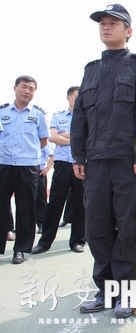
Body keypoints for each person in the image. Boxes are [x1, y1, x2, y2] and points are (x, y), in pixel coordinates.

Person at [71, 4, 136, 318]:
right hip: (95, 162)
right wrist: (78, 155)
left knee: (125, 228)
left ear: (128, 30)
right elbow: (79, 116)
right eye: (103, 23)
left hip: (125, 162)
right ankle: (105, 290)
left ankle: (126, 291)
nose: (106, 27)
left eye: (113, 23)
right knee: (96, 226)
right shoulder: (91, 69)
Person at [0, 75, 49, 264]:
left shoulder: (37, 115)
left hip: (28, 166)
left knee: (25, 208)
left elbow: (43, 140)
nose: (27, 91)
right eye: (24, 87)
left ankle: (20, 249)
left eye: (31, 88)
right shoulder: (3, 112)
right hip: (4, 164)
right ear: (15, 88)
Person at [32, 86, 86, 254]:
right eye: (76, 97)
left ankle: (77, 241)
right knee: (55, 203)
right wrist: (75, 138)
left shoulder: (88, 117)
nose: (78, 100)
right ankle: (45, 242)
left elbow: (88, 139)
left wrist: (67, 136)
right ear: (69, 97)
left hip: (82, 164)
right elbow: (53, 137)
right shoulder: (58, 116)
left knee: (79, 204)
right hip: (62, 164)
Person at [36, 143, 54, 234]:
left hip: (40, 172)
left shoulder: (42, 141)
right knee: (25, 200)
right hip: (26, 169)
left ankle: (42, 224)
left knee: (41, 199)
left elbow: (51, 156)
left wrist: (47, 169)